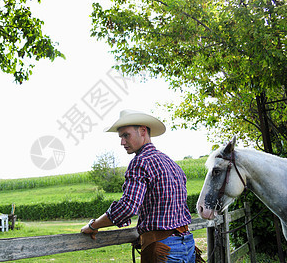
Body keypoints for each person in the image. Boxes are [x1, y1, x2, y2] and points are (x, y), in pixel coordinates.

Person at [81, 109, 200, 263]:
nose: (122, 142)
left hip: (164, 249)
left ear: (143, 131)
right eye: (121, 137)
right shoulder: (171, 163)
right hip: (187, 244)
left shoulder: (140, 161)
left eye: (126, 135)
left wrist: (93, 225)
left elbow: (127, 207)